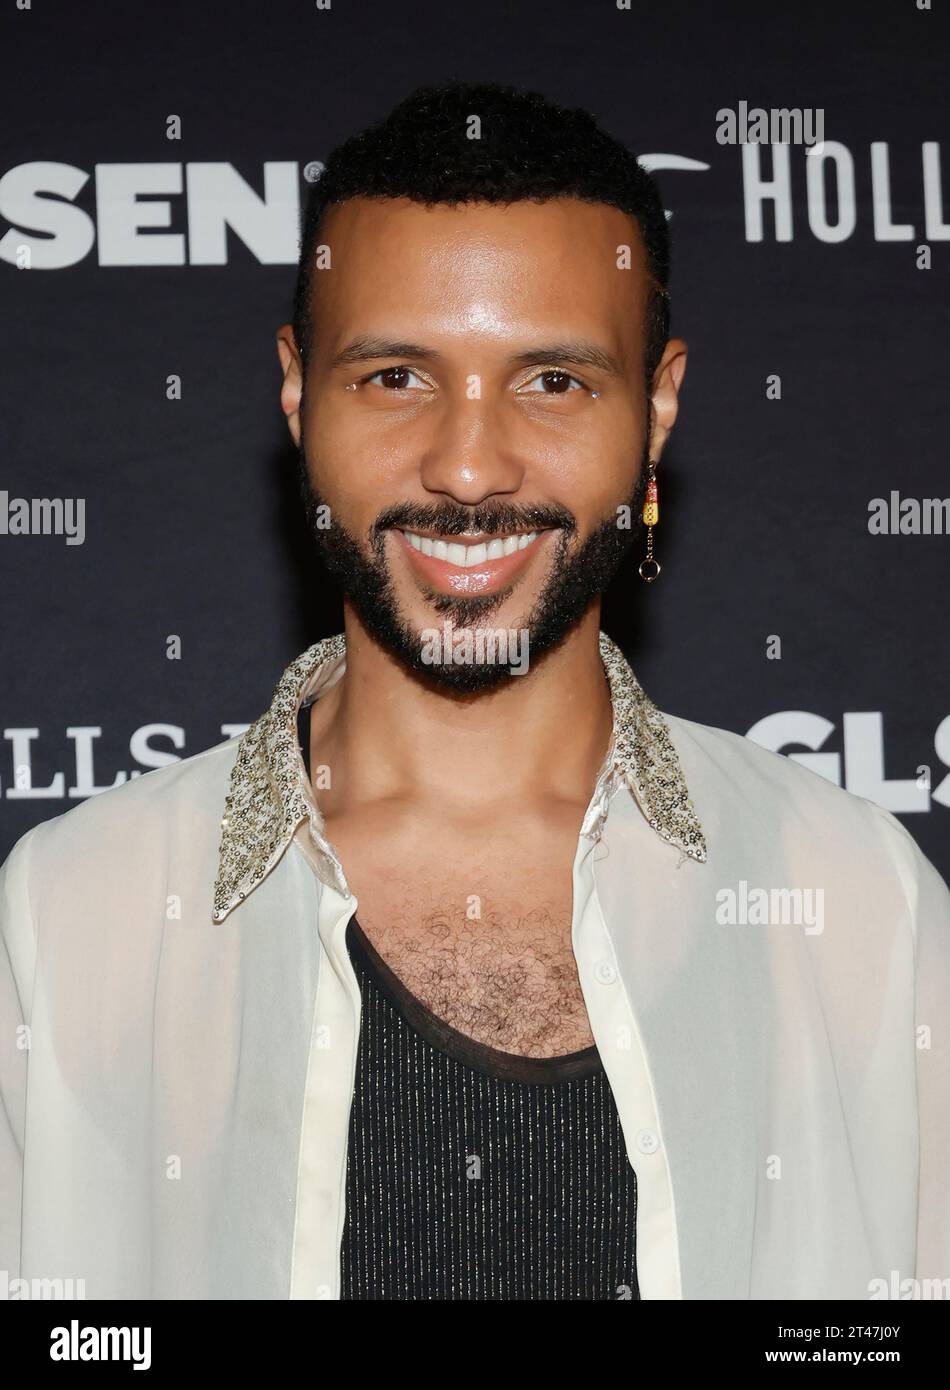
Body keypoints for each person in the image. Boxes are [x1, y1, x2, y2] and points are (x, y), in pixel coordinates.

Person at [2, 81, 948, 1302]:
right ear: (297, 392)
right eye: (395, 377)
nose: (465, 465)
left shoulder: (854, 901)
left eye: (550, 380)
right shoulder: (74, 918)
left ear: (656, 403)